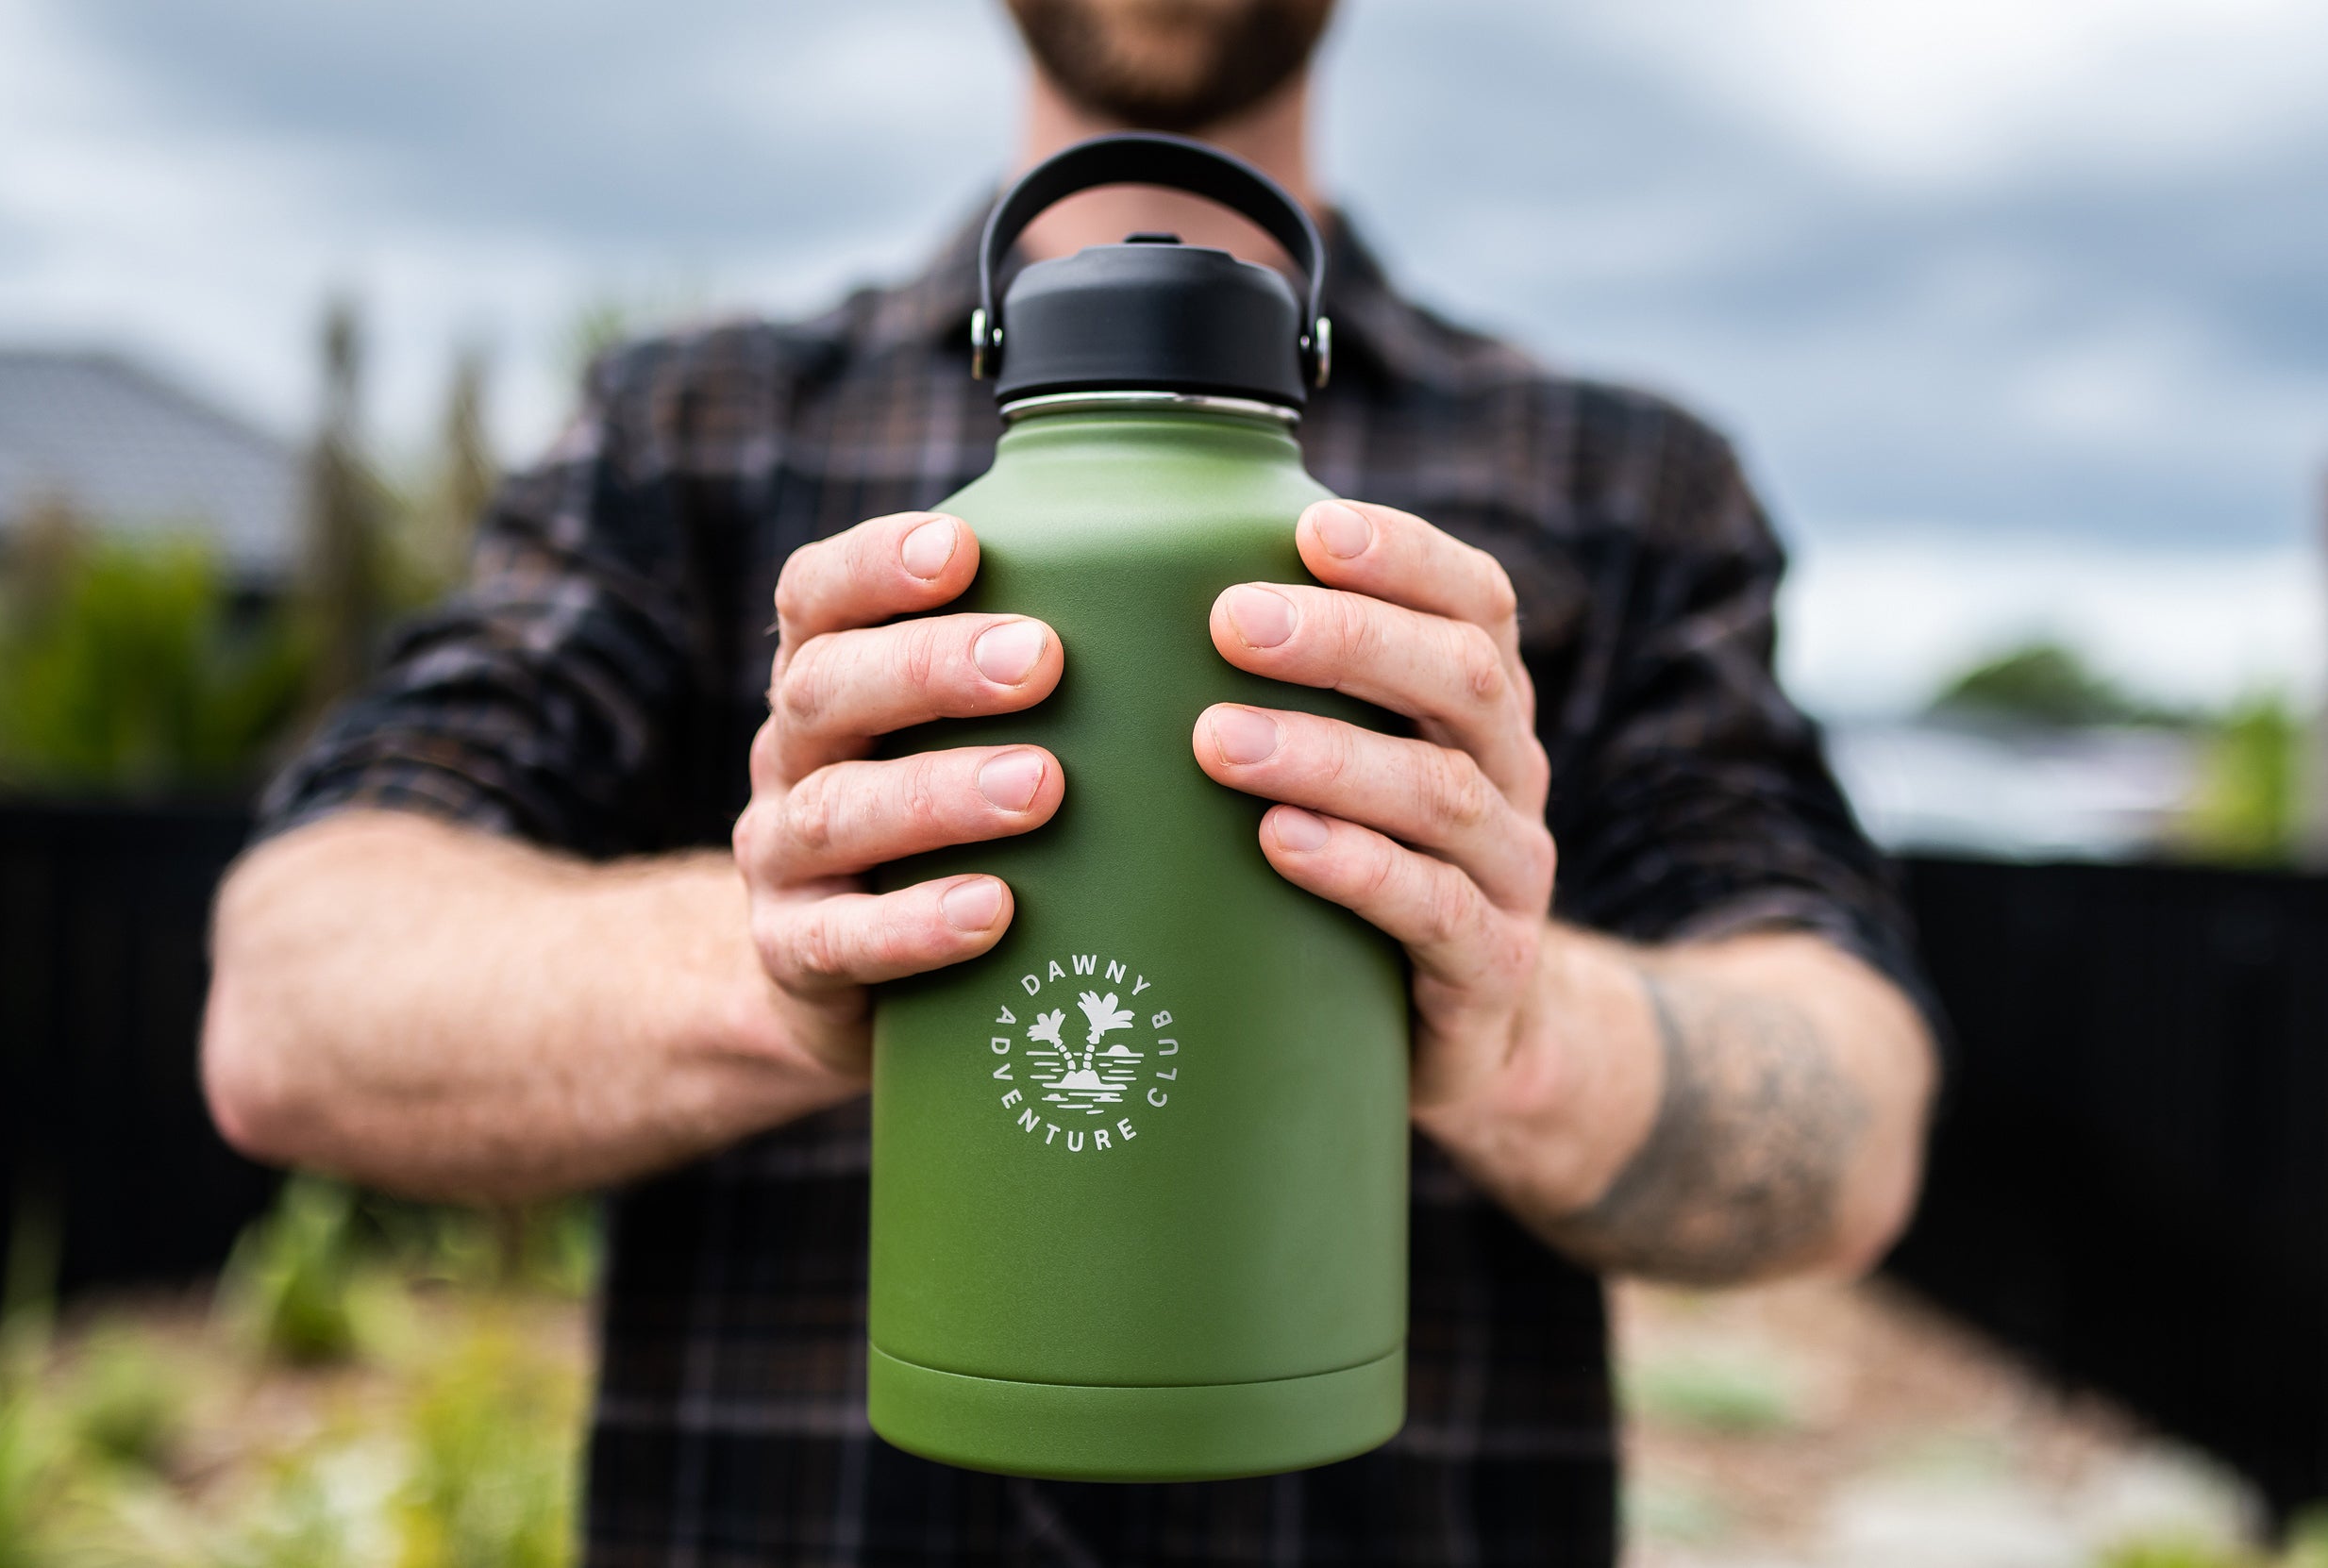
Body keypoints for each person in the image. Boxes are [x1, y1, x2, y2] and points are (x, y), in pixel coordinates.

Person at [202, 1, 1938, 1561]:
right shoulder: (695, 434)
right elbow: (290, 1002)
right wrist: (783, 952)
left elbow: (1853, 1120)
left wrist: (1514, 1016)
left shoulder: (1617, 481)